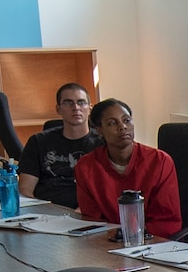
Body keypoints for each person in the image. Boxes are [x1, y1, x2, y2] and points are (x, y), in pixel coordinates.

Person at [73, 98, 182, 238]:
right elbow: (92, 220)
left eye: (127, 120)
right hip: (106, 243)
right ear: (99, 130)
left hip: (154, 243)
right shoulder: (86, 166)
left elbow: (166, 221)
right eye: (112, 123)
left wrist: (130, 236)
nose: (122, 127)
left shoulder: (159, 161)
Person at [17, 81, 100, 209]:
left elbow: (106, 191)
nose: (76, 107)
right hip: (44, 213)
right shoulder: (38, 142)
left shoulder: (103, 144)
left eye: (81, 102)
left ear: (90, 108)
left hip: (85, 214)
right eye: (68, 102)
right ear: (58, 109)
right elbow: (25, 190)